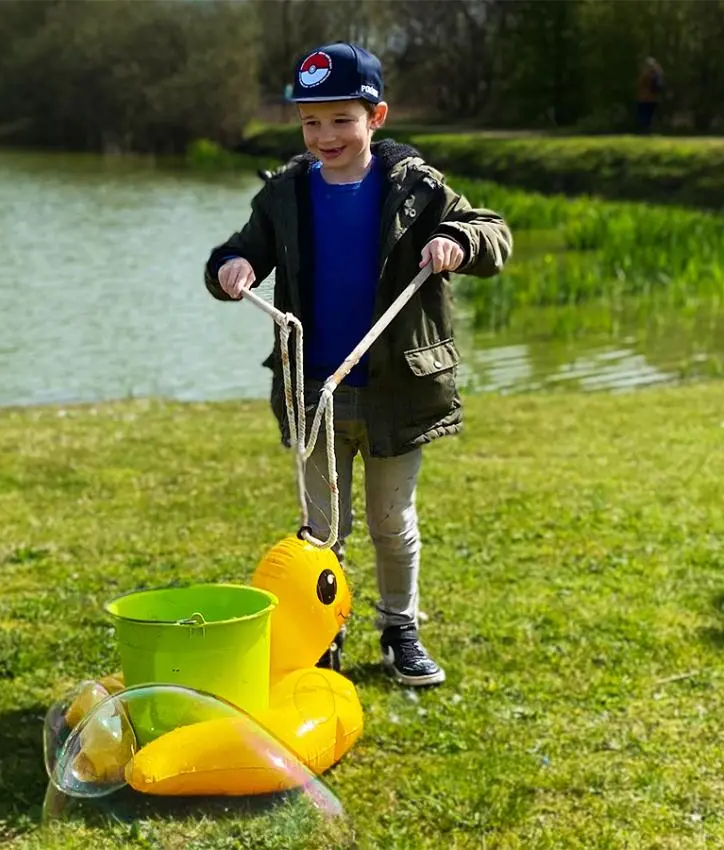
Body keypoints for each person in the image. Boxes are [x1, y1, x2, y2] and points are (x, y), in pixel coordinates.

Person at [203, 43, 511, 688]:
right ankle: (322, 634)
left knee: (390, 523)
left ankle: (401, 628)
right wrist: (231, 268)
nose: (325, 136)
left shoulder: (418, 190)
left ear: (376, 117)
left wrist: (458, 239)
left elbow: (493, 234)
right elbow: (242, 251)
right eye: (312, 122)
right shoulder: (285, 193)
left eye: (342, 119)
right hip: (313, 392)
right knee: (322, 531)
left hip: (399, 392)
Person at [634, 57, 665, 134]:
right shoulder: (656, 75)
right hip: (653, 99)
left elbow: (639, 85)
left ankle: (644, 132)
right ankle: (647, 131)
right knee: (649, 117)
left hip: (644, 99)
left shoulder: (646, 75)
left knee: (644, 117)